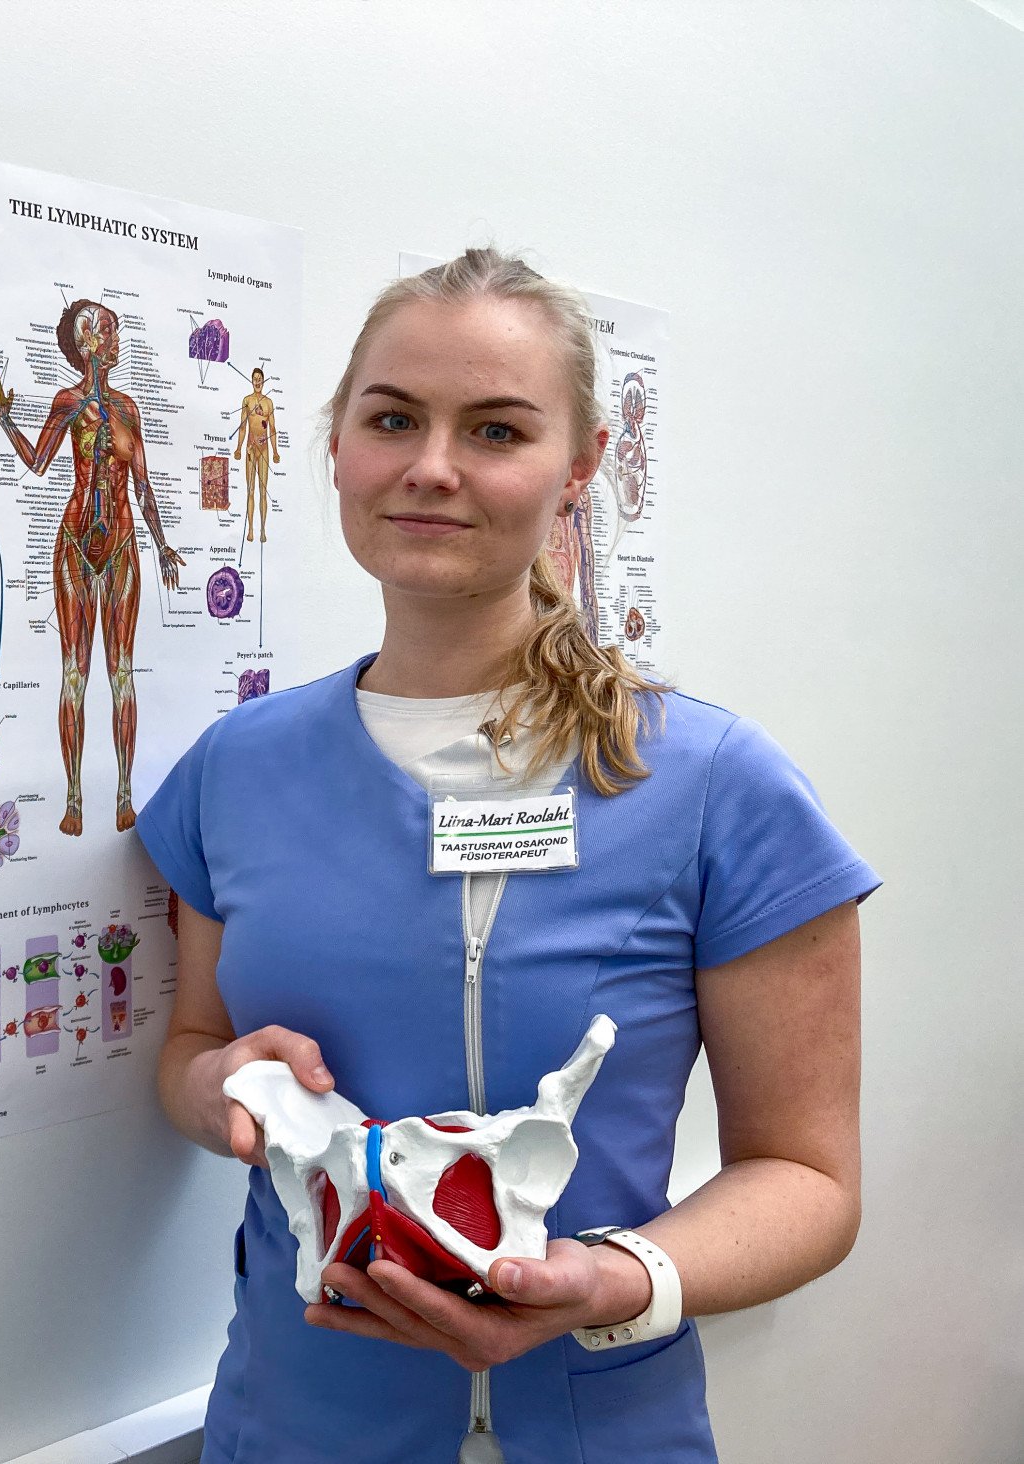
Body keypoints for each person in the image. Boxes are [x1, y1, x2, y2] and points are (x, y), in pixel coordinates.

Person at [138, 248, 876, 1462]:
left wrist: (609, 1281)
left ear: (579, 466)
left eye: (495, 430)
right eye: (392, 420)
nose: (431, 467)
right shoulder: (237, 770)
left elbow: (807, 1179)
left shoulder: (714, 787)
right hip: (292, 1426)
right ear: (338, 442)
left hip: (599, 1430)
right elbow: (187, 1052)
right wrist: (218, 1087)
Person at [0, 299, 184, 836]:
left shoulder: (129, 408)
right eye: (110, 331)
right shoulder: (69, 402)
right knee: (75, 672)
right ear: (89, 341)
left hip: (120, 542)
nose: (118, 339)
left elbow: (142, 485)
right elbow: (38, 462)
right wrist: (3, 417)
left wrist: (162, 544)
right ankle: (73, 799)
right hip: (75, 541)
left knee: (122, 673)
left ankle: (124, 796)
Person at [231, 366, 279, 543]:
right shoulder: (247, 401)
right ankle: (250, 529)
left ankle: (263, 530)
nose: (257, 381)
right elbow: (243, 427)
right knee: (250, 490)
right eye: (255, 379)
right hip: (251, 448)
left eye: (260, 379)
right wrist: (238, 448)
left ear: (263, 381)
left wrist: (275, 451)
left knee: (263, 491)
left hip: (264, 449)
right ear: (252, 381)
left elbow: (272, 429)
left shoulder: (269, 403)